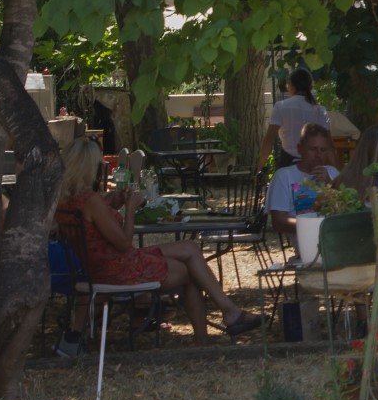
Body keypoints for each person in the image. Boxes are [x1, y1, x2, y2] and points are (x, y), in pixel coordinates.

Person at [55, 137, 262, 341]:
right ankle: (213, 329)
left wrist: (110, 204)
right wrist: (130, 209)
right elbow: (124, 243)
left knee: (189, 248)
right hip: (118, 270)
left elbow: (94, 231)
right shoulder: (91, 201)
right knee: (191, 272)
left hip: (98, 267)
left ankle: (228, 313)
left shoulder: (65, 201)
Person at [265, 124, 343, 237]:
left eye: (323, 150)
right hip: (305, 242)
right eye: (313, 149)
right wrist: (317, 228)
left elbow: (347, 211)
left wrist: (329, 184)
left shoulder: (333, 173)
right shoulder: (284, 176)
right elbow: (278, 223)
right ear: (299, 148)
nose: (318, 155)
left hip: (335, 239)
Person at [263, 69, 332, 167]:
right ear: (310, 86)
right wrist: (337, 172)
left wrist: (260, 166)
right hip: (314, 164)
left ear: (290, 85)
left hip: (288, 162)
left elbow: (269, 139)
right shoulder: (320, 110)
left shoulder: (281, 106)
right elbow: (329, 145)